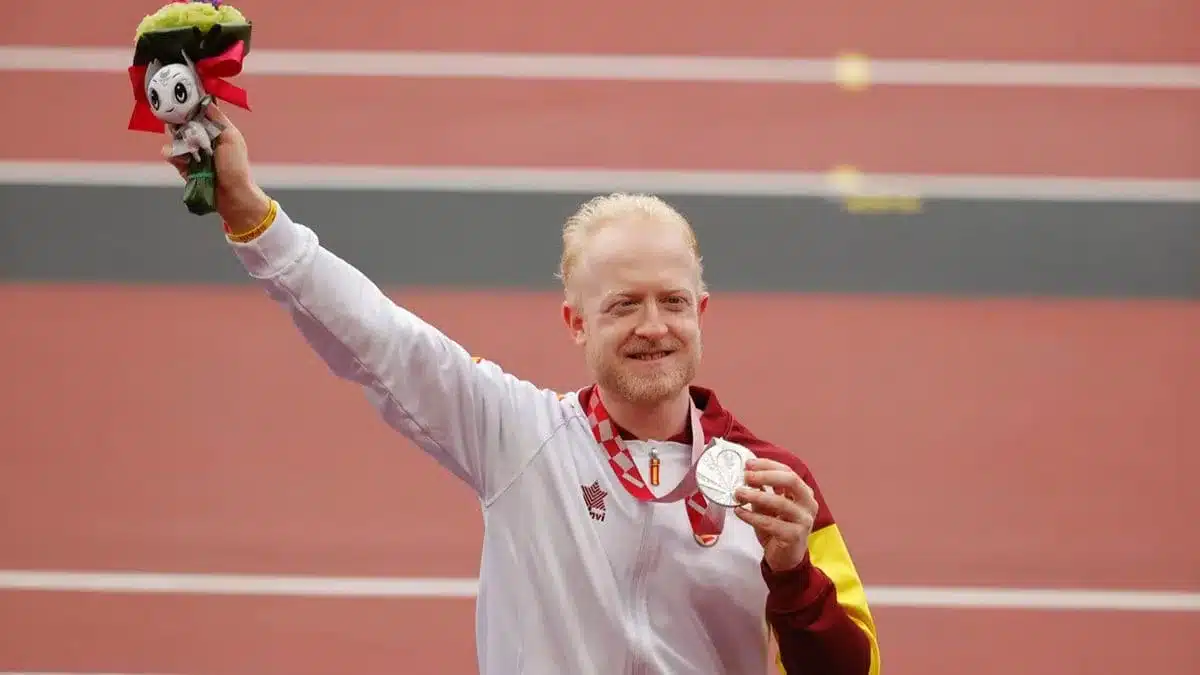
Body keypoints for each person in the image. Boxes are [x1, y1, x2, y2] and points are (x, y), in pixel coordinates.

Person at [170, 104, 882, 674]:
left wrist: (792, 576)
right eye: (622, 304)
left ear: (702, 311)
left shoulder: (774, 486)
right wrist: (248, 212)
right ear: (576, 322)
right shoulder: (519, 435)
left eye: (671, 301)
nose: (652, 326)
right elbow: (379, 338)